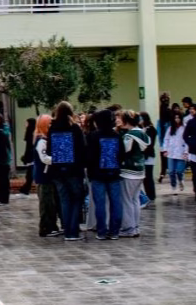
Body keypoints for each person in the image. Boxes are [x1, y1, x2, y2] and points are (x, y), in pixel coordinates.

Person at [48, 102, 88, 241]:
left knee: (64, 200)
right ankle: (73, 231)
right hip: (74, 170)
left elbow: (49, 150)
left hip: (57, 170)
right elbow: (82, 149)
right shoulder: (75, 128)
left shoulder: (52, 128)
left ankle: (67, 230)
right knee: (77, 199)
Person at [86, 109, 123, 240]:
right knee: (116, 203)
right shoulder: (117, 136)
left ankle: (102, 231)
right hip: (114, 173)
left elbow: (89, 156)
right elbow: (121, 154)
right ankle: (115, 231)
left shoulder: (93, 136)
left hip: (97, 175)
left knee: (100, 204)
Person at [119, 110, 149, 238]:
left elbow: (124, 150)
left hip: (129, 171)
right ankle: (135, 227)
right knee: (135, 200)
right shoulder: (143, 134)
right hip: (140, 170)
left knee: (126, 200)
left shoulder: (129, 136)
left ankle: (128, 228)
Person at [31, 114, 60, 237]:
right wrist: (58, 158)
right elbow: (44, 158)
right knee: (46, 204)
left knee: (51, 203)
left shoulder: (46, 139)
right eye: (49, 123)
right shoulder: (41, 141)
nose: (51, 125)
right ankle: (46, 228)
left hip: (47, 176)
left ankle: (52, 226)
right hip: (44, 176)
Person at [161, 111, 188, 192]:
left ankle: (180, 181)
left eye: (178, 118)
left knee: (179, 171)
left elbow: (187, 141)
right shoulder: (170, 128)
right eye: (175, 118)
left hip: (181, 152)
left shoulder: (185, 128)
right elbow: (166, 139)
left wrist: (186, 152)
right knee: (171, 172)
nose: (177, 119)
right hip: (171, 152)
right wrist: (165, 150)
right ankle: (173, 186)